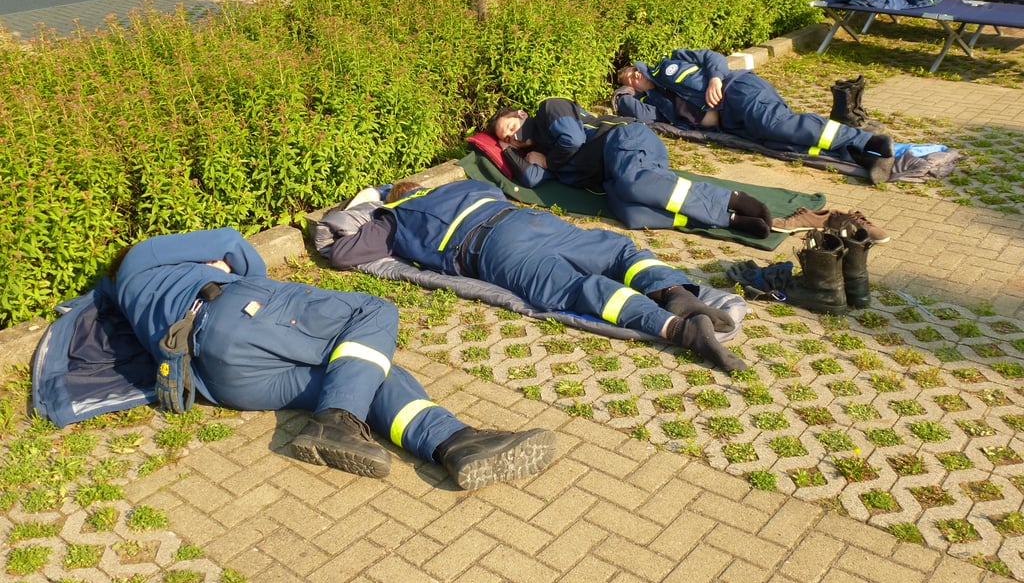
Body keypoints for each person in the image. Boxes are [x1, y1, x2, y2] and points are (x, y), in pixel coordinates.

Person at [112, 227, 556, 490]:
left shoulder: (131, 298)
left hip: (220, 381)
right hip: (232, 313)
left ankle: (453, 443)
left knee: (361, 371)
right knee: (372, 312)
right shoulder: (140, 255)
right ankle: (335, 422)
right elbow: (230, 242)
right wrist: (235, 272)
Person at [321, 179, 748, 373]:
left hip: (494, 248)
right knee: (620, 252)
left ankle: (681, 330)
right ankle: (673, 289)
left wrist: (371, 207)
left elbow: (341, 252)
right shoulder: (465, 184)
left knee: (579, 290)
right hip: (529, 220)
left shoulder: (395, 216)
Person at [486, 97, 775, 238]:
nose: (513, 135)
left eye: (511, 127)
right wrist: (505, 150)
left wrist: (549, 160)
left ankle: (731, 199)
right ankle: (728, 221)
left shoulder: (549, 109)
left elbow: (572, 140)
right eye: (508, 138)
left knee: (634, 183)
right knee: (631, 213)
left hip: (625, 140)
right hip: (613, 173)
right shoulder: (538, 151)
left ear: (521, 114)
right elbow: (532, 179)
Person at [613, 49, 896, 184]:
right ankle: (859, 153)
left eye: (633, 75)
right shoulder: (656, 101)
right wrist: (623, 95)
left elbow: (712, 58)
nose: (634, 81)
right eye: (630, 82)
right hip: (731, 120)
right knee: (779, 140)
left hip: (738, 91)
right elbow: (637, 111)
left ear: (640, 71)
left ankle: (871, 140)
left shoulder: (668, 66)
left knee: (778, 125)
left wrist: (715, 80)